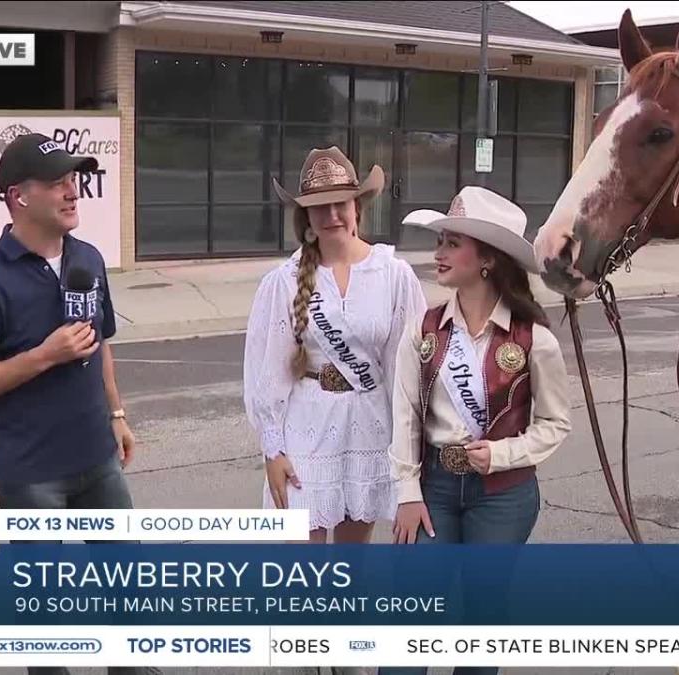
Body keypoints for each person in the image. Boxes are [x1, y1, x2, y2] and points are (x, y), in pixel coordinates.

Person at [0, 133, 156, 675]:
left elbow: (98, 340)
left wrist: (117, 413)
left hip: (97, 457)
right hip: (31, 474)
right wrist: (41, 355)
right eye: (57, 182)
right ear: (19, 196)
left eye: (74, 180)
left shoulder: (88, 259)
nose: (72, 190)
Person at [245, 147, 425, 544]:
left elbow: (406, 371)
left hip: (368, 428)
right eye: (318, 207)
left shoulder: (394, 276)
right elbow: (266, 372)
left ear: (357, 206)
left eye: (339, 204)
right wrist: (272, 451)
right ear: (305, 217)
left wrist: (409, 455)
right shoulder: (284, 282)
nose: (331, 215)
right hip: (305, 429)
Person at [388, 186, 572, 545]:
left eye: (452, 244)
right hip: (434, 485)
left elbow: (555, 422)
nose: (438, 253)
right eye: (440, 241)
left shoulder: (534, 339)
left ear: (488, 259)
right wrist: (408, 492)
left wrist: (502, 454)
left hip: (503, 494)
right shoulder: (423, 329)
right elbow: (406, 414)